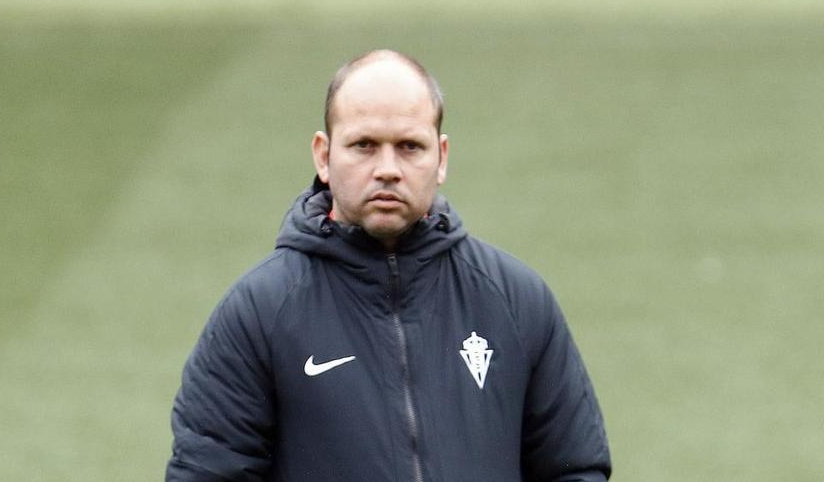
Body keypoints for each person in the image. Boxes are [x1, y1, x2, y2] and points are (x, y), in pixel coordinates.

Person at [166, 49, 611, 481]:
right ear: (323, 155)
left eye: (409, 147)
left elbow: (574, 467)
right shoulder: (259, 313)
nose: (387, 169)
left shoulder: (515, 300)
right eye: (363, 145)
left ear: (442, 157)